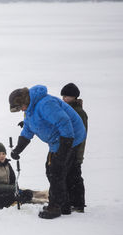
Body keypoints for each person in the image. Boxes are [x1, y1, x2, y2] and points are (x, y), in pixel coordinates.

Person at [9, 85, 86, 219]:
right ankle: (64, 205)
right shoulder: (30, 110)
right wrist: (18, 149)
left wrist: (64, 149)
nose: (21, 110)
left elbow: (65, 123)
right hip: (56, 141)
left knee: (56, 172)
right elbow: (27, 129)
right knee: (51, 170)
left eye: (20, 107)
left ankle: (56, 207)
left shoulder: (45, 104)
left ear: (24, 101)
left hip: (70, 138)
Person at [61, 83, 88, 212]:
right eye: (63, 96)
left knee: (75, 176)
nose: (63, 98)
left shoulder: (79, 112)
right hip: (67, 150)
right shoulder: (65, 110)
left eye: (66, 96)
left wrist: (78, 155)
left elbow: (81, 135)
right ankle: (72, 201)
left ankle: (78, 204)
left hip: (75, 150)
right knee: (67, 176)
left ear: (74, 97)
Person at [0, 142, 33, 210]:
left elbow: (13, 180)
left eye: (3, 154)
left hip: (6, 191)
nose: (2, 156)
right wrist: (11, 188)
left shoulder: (7, 165)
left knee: (28, 193)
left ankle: (13, 201)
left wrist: (16, 188)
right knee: (1, 199)